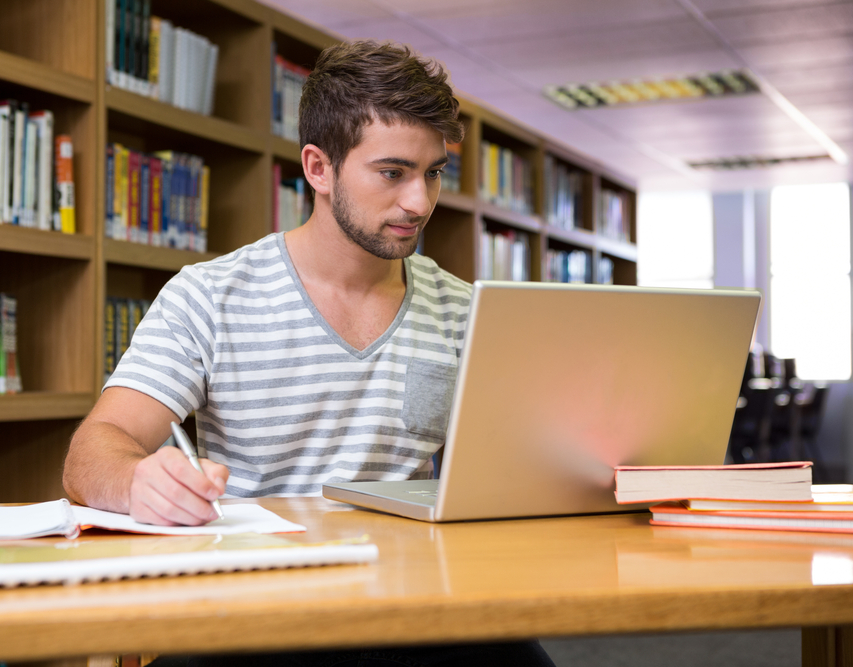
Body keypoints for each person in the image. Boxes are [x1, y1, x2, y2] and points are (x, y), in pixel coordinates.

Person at [63, 39, 555, 667]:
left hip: (416, 605)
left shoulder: (466, 311)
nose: (420, 202)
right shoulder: (210, 296)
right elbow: (92, 450)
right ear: (318, 168)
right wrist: (137, 480)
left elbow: (513, 472)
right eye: (392, 172)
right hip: (253, 611)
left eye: (433, 172)